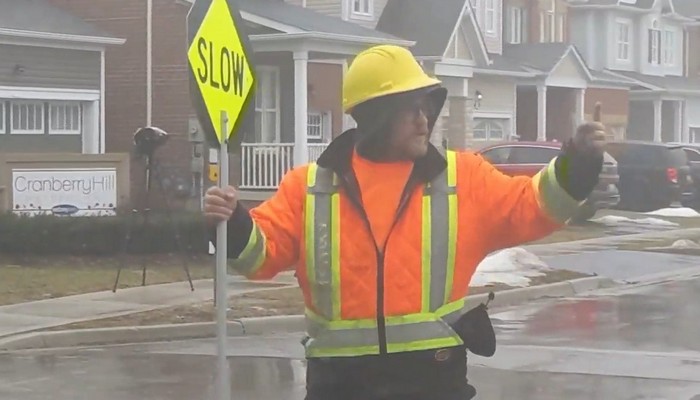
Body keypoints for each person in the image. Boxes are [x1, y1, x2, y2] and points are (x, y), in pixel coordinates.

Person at [204, 45, 606, 400]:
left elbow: (533, 205)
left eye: (427, 107)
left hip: (432, 380)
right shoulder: (309, 187)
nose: (424, 119)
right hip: (341, 386)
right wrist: (234, 222)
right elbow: (260, 256)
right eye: (411, 108)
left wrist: (578, 164)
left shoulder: (461, 179)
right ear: (376, 116)